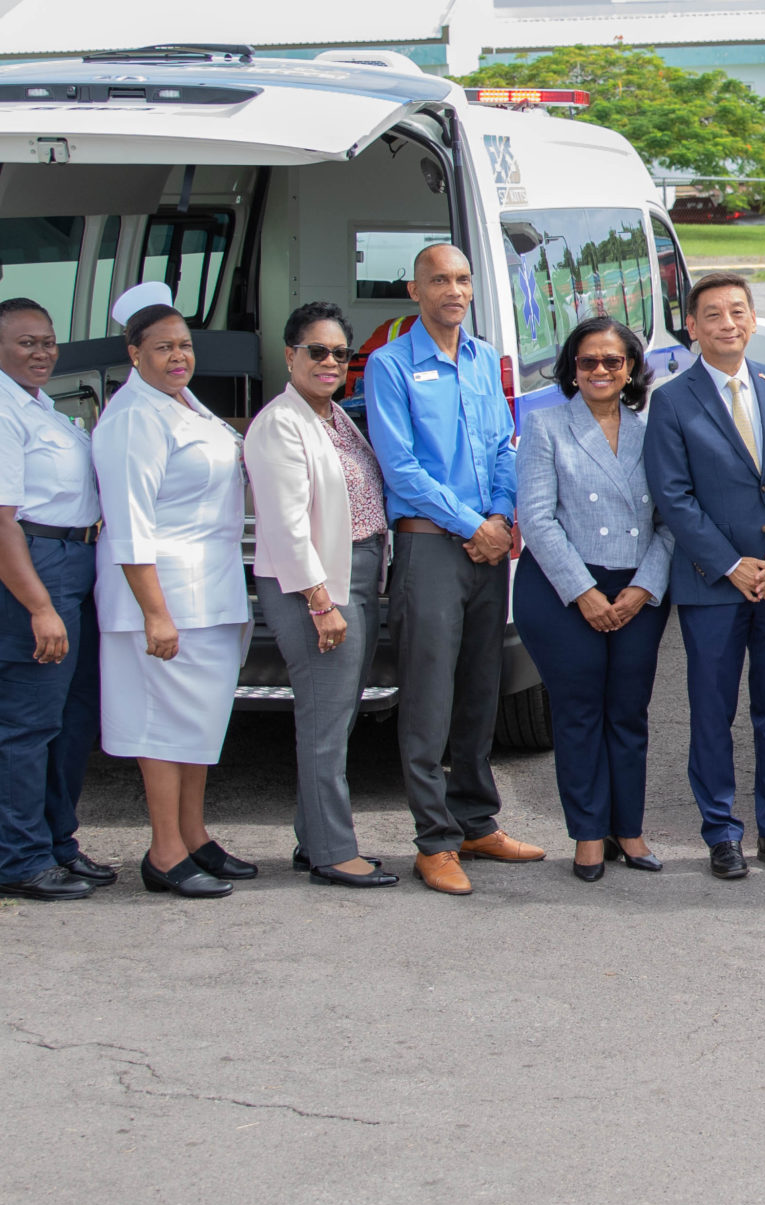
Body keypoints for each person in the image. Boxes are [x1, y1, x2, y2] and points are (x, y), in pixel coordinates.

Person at [364, 243, 548, 896]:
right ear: (414, 291)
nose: (455, 291)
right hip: (432, 548)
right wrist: (475, 526)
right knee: (427, 699)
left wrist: (499, 515)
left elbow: (504, 445)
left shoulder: (483, 359)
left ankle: (475, 821)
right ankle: (434, 841)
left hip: (486, 547)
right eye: (439, 279)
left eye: (463, 279)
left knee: (479, 690)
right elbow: (401, 467)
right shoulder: (390, 366)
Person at [647, 273, 765, 880]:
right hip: (713, 584)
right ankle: (721, 833)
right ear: (692, 327)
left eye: (738, 311)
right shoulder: (671, 400)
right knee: (712, 713)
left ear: (752, 320)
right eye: (714, 314)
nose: (728, 323)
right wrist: (731, 564)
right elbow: (673, 496)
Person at [0, 297, 111, 901]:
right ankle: (22, 862)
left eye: (48, 341)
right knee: (24, 724)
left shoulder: (37, 405)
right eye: (26, 342)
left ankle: (57, 844)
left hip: (68, 561)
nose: (41, 352)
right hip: (20, 568)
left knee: (70, 720)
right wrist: (39, 607)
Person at [91, 283, 253, 899]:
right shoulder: (134, 417)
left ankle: (193, 836)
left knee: (196, 723)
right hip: (162, 599)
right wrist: (155, 614)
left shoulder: (183, 402)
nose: (178, 356)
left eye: (184, 344)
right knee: (159, 727)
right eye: (162, 347)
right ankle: (164, 852)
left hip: (206, 592)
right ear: (134, 354)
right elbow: (130, 524)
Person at [514, 317, 674, 882]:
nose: (600, 370)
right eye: (588, 361)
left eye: (613, 361)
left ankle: (627, 829)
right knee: (579, 712)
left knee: (628, 712)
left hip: (638, 589)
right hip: (561, 589)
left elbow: (671, 520)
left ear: (630, 369)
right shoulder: (546, 426)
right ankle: (587, 831)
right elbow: (536, 518)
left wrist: (642, 588)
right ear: (572, 368)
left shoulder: (654, 431)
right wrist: (584, 593)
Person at [246, 301, 396, 889]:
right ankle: (334, 853)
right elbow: (284, 524)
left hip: (354, 576)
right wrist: (319, 601)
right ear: (290, 355)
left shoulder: (334, 416)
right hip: (313, 585)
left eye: (340, 353)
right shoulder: (279, 423)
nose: (330, 361)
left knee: (337, 718)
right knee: (324, 723)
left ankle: (314, 840)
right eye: (317, 351)